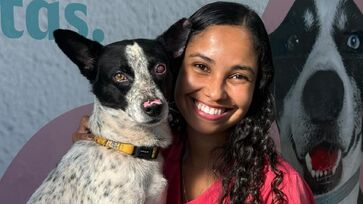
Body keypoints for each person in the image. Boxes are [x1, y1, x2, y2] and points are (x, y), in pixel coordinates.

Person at [73, 2, 315, 203]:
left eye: (238, 75)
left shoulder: (280, 190)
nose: (215, 92)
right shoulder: (133, 156)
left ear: (257, 86)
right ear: (173, 67)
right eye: (201, 67)